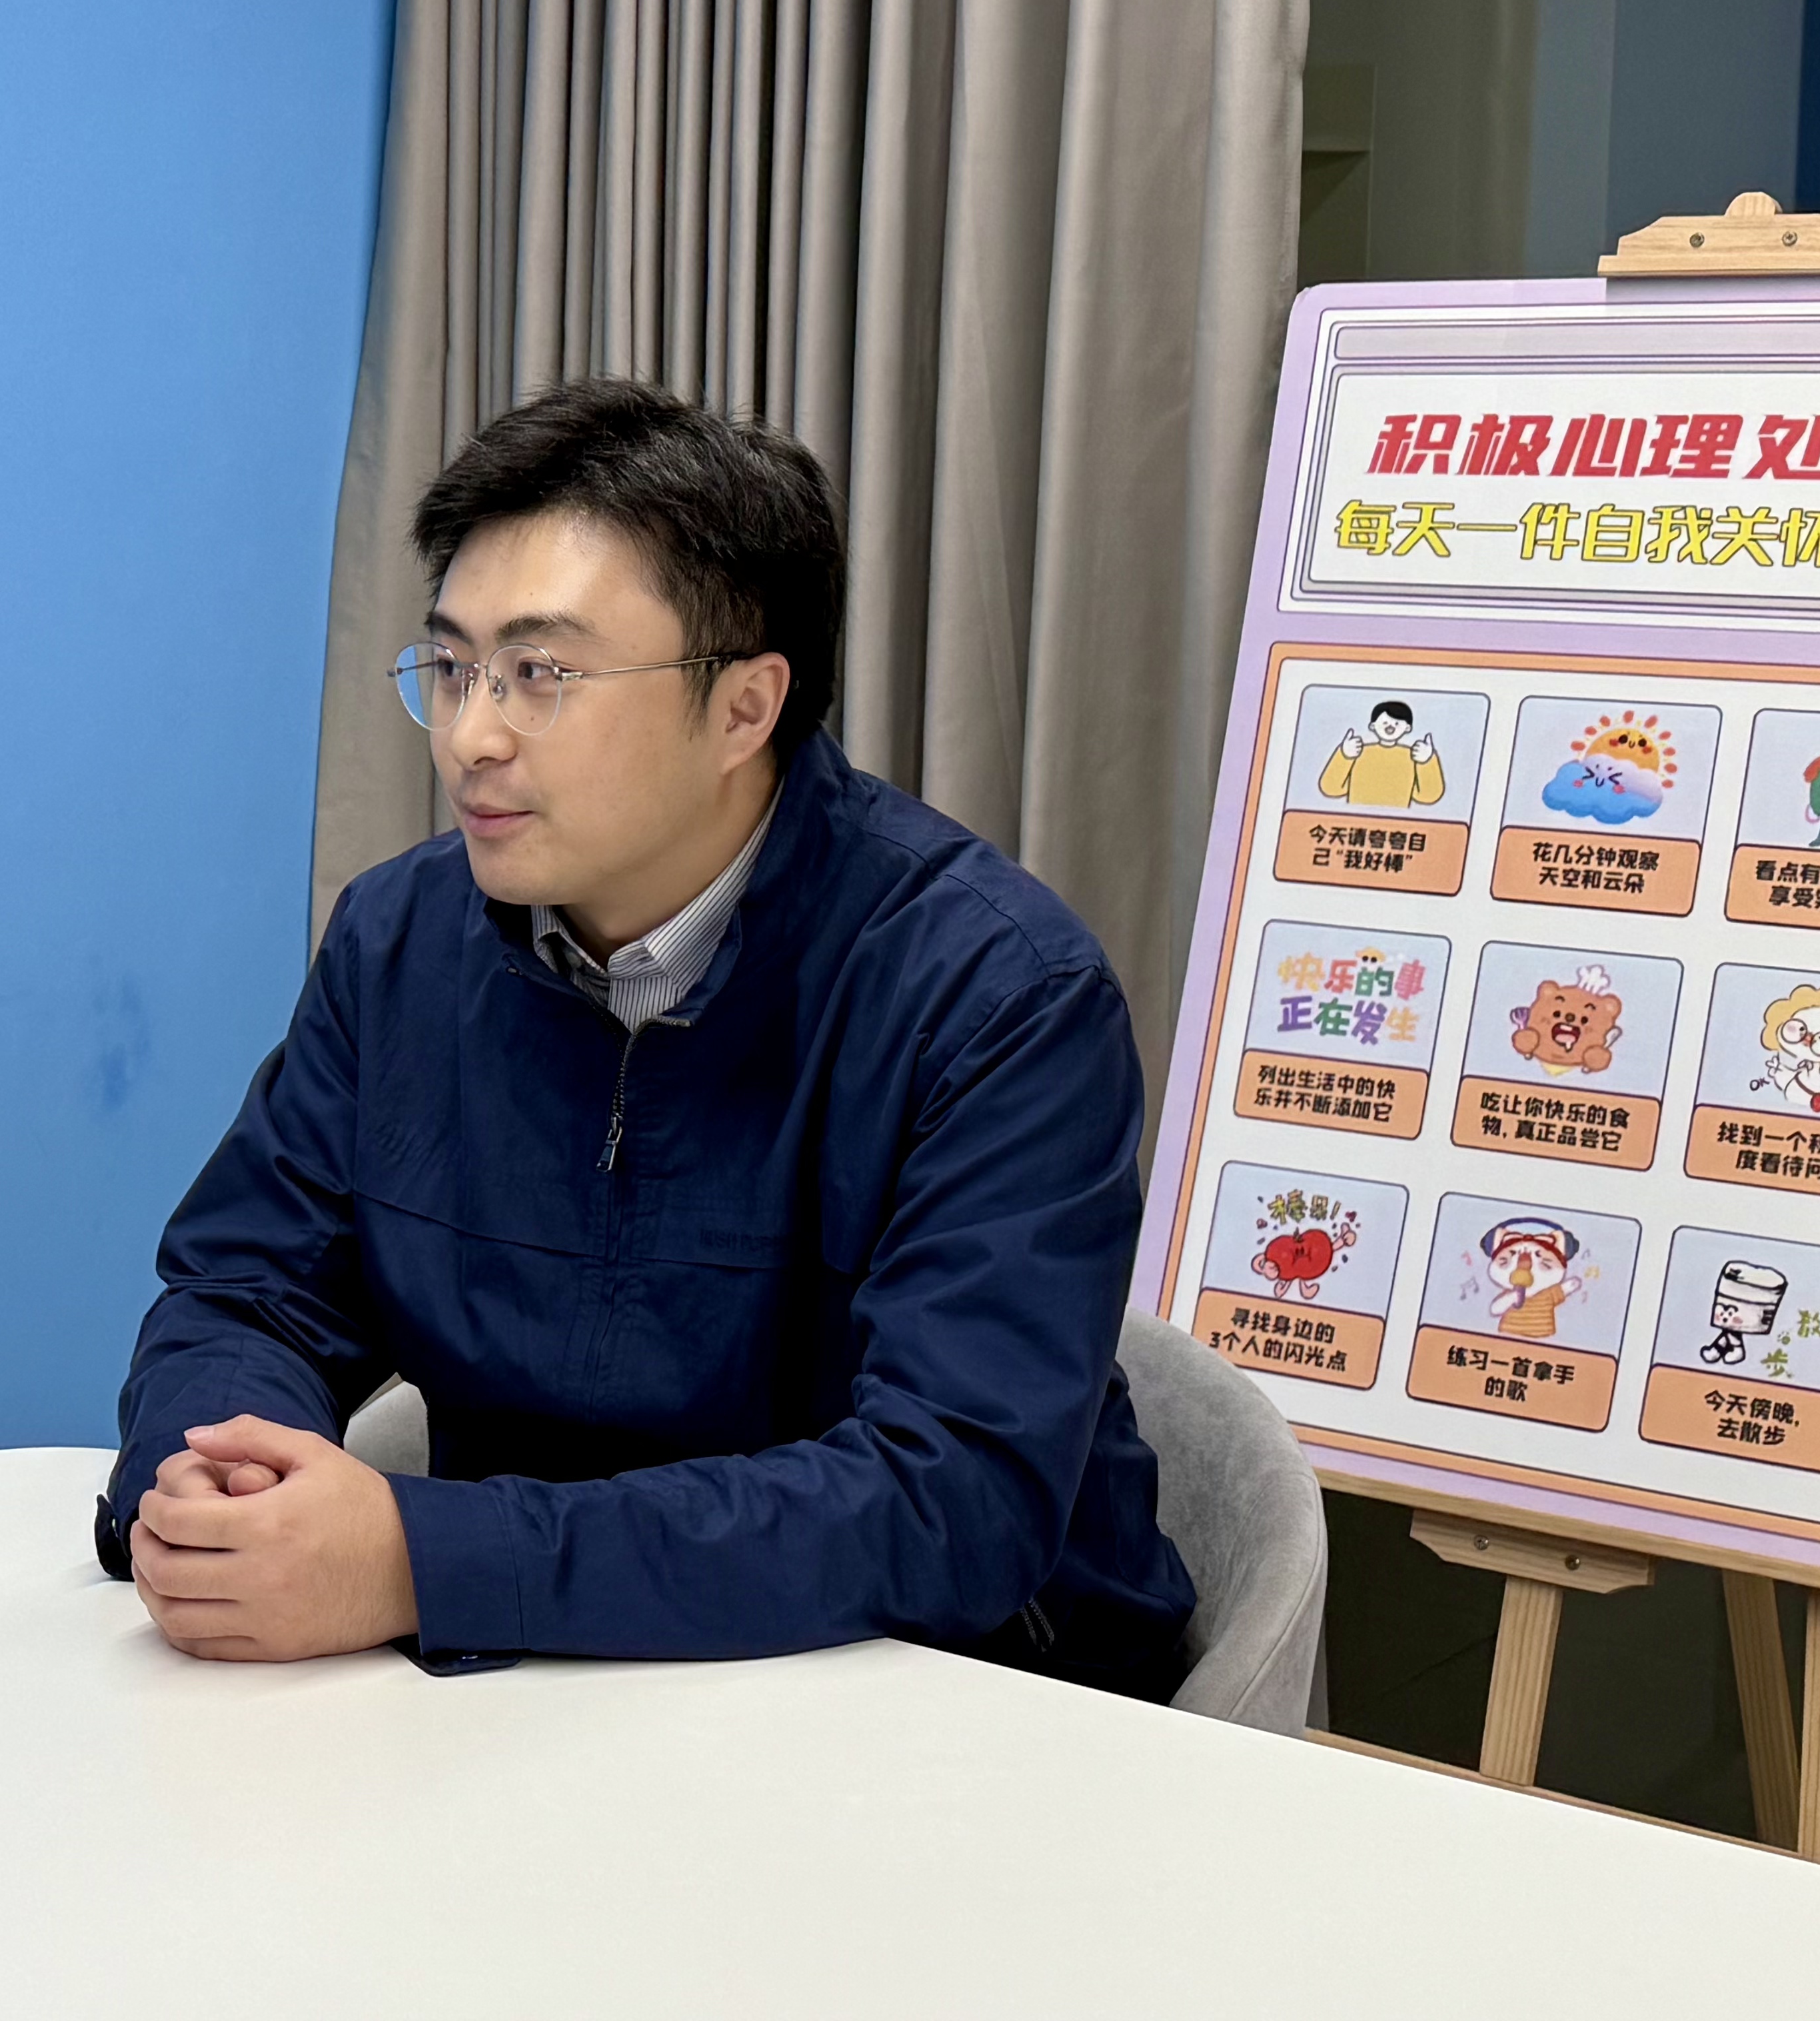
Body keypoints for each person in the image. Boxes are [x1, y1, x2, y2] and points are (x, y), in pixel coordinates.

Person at [99, 380, 1194, 1696]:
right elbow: (247, 1290)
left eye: (540, 675)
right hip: (543, 1679)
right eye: (451, 667)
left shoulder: (995, 994)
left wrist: (422, 1559)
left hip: (942, 1702)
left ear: (742, 708)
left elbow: (948, 1499)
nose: (471, 736)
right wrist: (216, 1478)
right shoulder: (398, 942)